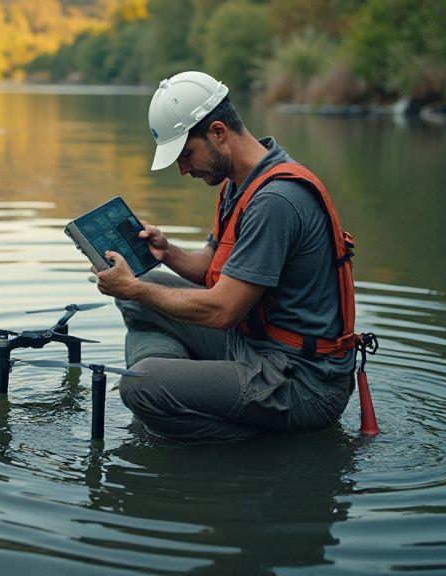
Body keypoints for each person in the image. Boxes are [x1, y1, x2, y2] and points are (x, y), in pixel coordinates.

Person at [94, 71, 362, 441]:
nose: (183, 169)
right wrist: (166, 252)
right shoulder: (241, 183)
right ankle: (181, 390)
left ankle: (244, 435)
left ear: (218, 132)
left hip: (299, 381)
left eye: (187, 154)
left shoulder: (276, 201)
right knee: (148, 285)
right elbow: (211, 267)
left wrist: (131, 290)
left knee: (140, 384)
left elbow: (224, 309)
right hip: (253, 347)